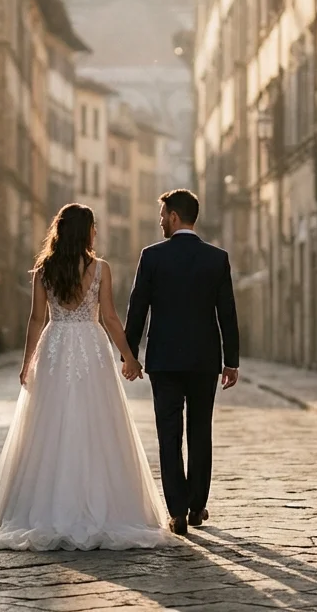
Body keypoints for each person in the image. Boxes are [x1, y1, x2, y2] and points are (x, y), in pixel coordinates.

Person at [0, 203, 172, 550]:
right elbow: (111, 318)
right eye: (93, 227)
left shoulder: (44, 270)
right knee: (97, 422)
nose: (96, 232)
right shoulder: (100, 269)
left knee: (50, 424)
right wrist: (129, 357)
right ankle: (102, 505)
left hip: (55, 347)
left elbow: (36, 320)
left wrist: (28, 363)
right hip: (91, 346)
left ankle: (47, 507)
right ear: (87, 232)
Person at [124, 188, 239, 536]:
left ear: (174, 216)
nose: (160, 221)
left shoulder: (152, 257)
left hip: (164, 361)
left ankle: (175, 510)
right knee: (201, 431)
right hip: (205, 361)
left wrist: (130, 354)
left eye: (162, 215)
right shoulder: (216, 258)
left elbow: (137, 309)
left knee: (168, 434)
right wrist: (231, 361)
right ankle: (196, 505)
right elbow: (228, 315)